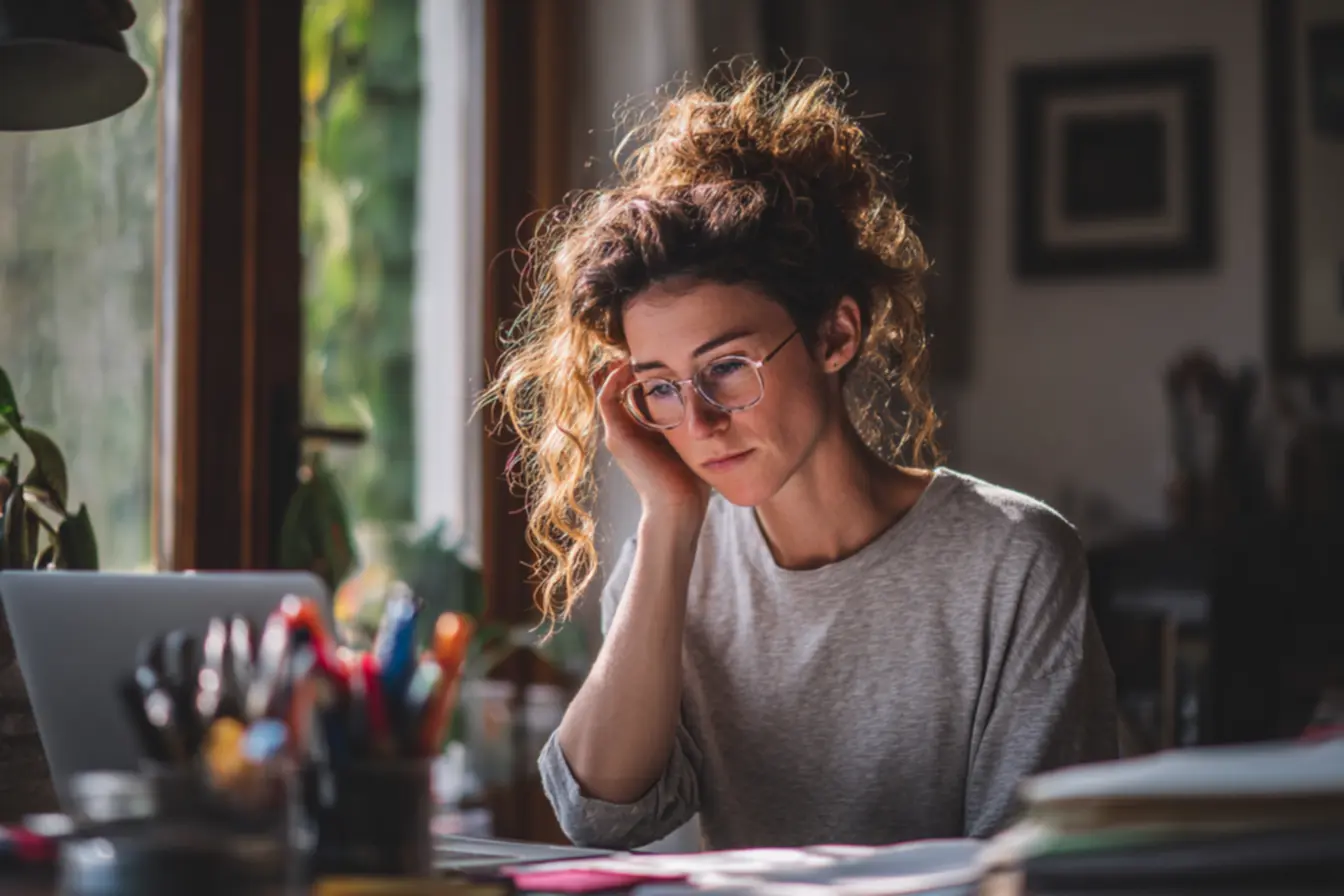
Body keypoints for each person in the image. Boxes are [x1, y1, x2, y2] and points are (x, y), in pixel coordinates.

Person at [484, 66, 1118, 851]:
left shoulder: (1012, 560)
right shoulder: (670, 562)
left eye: (726, 368)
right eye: (660, 388)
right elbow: (600, 815)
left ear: (834, 336)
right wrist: (670, 517)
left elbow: (1033, 865)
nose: (701, 421)